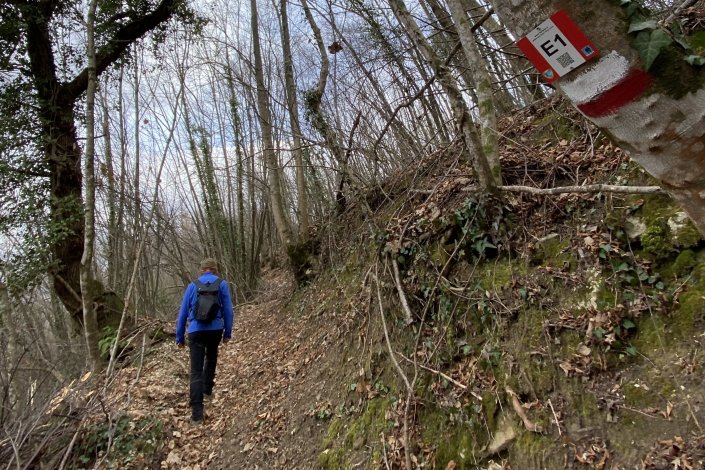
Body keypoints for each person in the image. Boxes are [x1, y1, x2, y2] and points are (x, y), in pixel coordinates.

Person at [176, 258, 234, 424]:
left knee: (195, 370)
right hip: (215, 329)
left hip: (196, 330)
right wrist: (227, 333)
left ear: (202, 270)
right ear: (214, 270)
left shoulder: (192, 286)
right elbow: (229, 311)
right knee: (211, 355)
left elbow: (182, 314)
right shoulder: (222, 284)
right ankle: (207, 390)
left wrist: (179, 337)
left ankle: (197, 414)